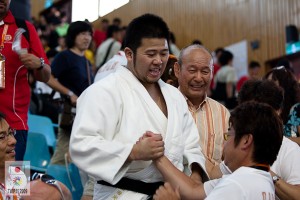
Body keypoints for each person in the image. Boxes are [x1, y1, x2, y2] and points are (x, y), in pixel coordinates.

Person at [70, 13, 207, 199]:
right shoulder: (103, 91)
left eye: (164, 53)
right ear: (129, 54)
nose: (159, 61)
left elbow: (191, 147)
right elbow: (81, 145)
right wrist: (133, 152)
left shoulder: (174, 95)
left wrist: (195, 179)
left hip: (169, 194)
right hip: (121, 194)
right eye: (151, 54)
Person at [152, 101, 283, 199]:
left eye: (229, 135)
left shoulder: (235, 185)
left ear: (246, 141)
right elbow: (193, 190)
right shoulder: (263, 180)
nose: (224, 143)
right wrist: (158, 156)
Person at [206, 79, 300, 200]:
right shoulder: (241, 149)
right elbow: (213, 174)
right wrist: (191, 147)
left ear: (278, 112)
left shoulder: (289, 149)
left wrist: (263, 172)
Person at [0, 0, 51, 161]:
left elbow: (46, 75)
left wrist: (39, 64)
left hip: (13, 125)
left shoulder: (25, 28)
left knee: (15, 184)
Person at [173, 44, 230, 165]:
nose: (198, 78)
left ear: (212, 73)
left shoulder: (223, 113)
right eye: (192, 70)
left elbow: (228, 160)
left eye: (205, 71)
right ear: (177, 70)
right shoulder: (164, 106)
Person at [47, 21, 94, 165]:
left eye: (89, 34)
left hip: (84, 113)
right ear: (73, 36)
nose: (87, 38)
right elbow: (48, 77)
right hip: (69, 112)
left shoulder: (86, 61)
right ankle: (50, 184)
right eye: (82, 34)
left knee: (76, 156)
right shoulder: (64, 56)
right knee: (62, 152)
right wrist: (69, 93)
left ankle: (64, 185)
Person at [0, 112, 71, 200]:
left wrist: (52, 188)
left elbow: (63, 192)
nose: (13, 141)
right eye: (2, 137)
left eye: (11, 133)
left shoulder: (17, 174)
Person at [264, 66, 300, 145]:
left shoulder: (297, 109)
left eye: (273, 81)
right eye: (267, 82)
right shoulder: (267, 110)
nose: (268, 86)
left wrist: (280, 140)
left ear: (285, 84)